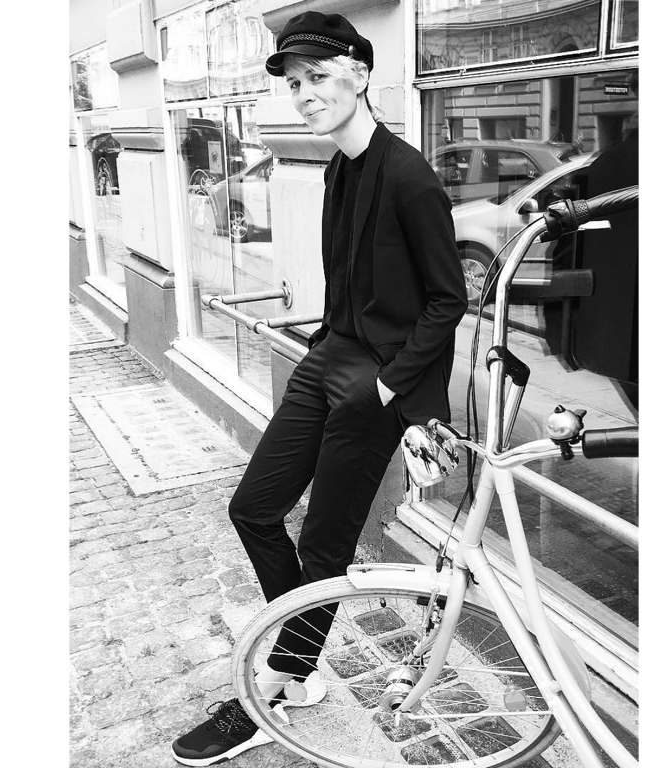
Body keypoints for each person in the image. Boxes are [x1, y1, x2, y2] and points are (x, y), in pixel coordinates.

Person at [171, 10, 467, 766]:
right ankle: (296, 648)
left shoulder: (410, 178)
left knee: (325, 545)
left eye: (319, 77)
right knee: (253, 508)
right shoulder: (339, 167)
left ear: (359, 74)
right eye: (295, 83)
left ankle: (278, 682)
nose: (304, 95)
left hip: (376, 381)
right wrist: (325, 350)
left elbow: (448, 300)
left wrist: (387, 389)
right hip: (328, 355)